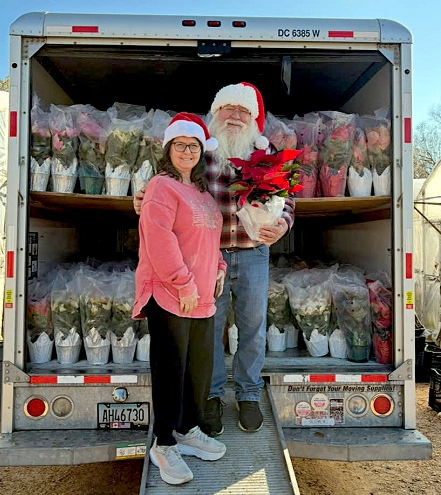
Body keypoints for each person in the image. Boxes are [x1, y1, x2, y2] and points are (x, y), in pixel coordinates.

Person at [134, 83, 294, 437]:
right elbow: (164, 188)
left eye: (243, 111)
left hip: (253, 254)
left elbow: (288, 200)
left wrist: (282, 224)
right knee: (210, 331)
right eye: (228, 109)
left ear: (254, 118)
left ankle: (249, 394)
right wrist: (142, 199)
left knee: (252, 327)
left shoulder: (265, 156)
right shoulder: (199, 154)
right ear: (215, 113)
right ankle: (212, 395)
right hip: (207, 258)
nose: (235, 116)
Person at [132, 112, 227, 485]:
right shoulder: (160, 187)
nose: (187, 151)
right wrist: (183, 284)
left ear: (202, 153)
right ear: (168, 149)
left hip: (202, 298)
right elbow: (159, 239)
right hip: (172, 294)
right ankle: (164, 442)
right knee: (171, 371)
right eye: (180, 145)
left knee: (198, 370)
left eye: (194, 146)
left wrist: (218, 267)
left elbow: (210, 239)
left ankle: (188, 429)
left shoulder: (202, 193)